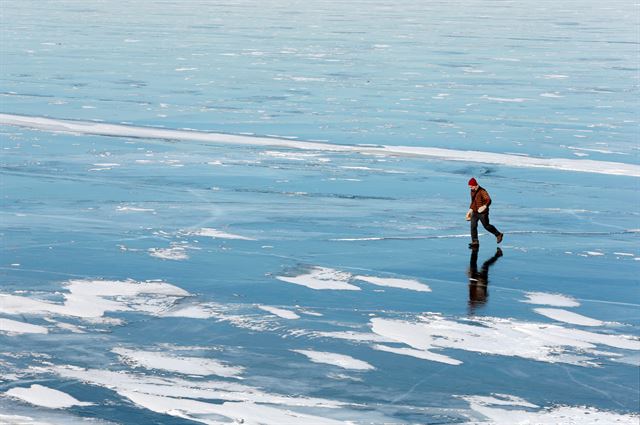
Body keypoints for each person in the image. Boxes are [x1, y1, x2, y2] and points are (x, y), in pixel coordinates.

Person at [465, 177, 503, 249]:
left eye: (471, 186)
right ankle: (475, 242)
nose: (470, 188)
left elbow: (489, 200)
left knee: (486, 226)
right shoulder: (472, 191)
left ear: (475, 185)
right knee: (473, 226)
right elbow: (473, 201)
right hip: (475, 211)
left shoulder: (482, 191)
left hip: (483, 212)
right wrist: (469, 211)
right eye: (469, 187)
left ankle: (498, 234)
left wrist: (484, 206)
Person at [468, 247, 503, 314]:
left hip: (476, 280)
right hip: (481, 280)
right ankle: (498, 255)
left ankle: (474, 250)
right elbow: (481, 291)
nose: (469, 303)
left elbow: (471, 288)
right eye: (470, 305)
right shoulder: (477, 299)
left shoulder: (473, 298)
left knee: (474, 263)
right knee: (485, 265)